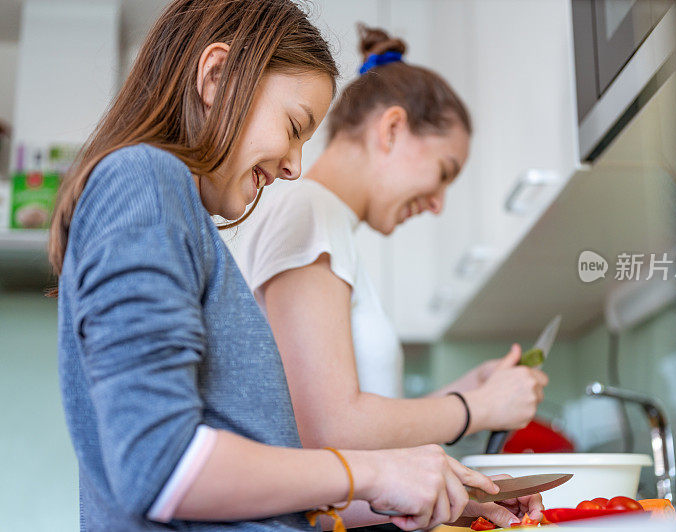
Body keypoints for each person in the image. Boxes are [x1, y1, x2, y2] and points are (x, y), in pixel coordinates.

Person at [48, 2, 526, 530]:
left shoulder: (169, 204)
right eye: (294, 126)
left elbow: (249, 487)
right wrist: (370, 471)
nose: (295, 167)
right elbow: (162, 468)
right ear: (216, 77)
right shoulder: (142, 182)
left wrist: (426, 489)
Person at [227, 23, 549, 510]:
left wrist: (464, 401)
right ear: (393, 128)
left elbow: (352, 443)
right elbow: (328, 429)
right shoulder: (310, 215)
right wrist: (477, 409)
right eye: (443, 172)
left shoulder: (323, 223)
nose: (439, 203)